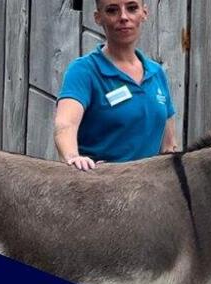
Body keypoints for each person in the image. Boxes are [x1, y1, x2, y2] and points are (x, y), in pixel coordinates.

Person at [54, 0, 178, 171]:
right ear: (98, 18)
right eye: (112, 11)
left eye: (132, 8)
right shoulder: (84, 70)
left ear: (144, 13)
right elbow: (65, 123)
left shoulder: (156, 73)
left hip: (149, 190)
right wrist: (73, 158)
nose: (124, 17)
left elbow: (169, 147)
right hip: (102, 187)